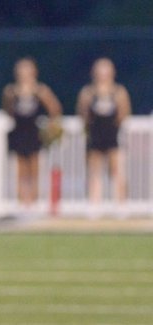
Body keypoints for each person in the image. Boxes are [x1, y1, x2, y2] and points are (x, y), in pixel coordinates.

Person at [1, 57, 62, 208]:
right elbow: (7, 109)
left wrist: (51, 125)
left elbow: (54, 108)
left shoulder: (40, 90)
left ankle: (34, 200)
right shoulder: (11, 91)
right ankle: (22, 201)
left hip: (33, 132)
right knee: (20, 167)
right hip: (18, 131)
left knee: (34, 167)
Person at [76, 57, 132, 211]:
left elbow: (124, 113)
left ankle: (121, 205)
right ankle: (94, 205)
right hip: (95, 136)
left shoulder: (119, 92)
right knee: (94, 171)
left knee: (117, 171)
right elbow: (83, 113)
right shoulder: (88, 93)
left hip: (113, 136)